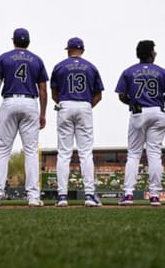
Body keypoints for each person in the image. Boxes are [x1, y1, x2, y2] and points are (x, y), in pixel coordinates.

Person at [0, 28, 48, 207]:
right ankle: (33, 197)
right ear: (28, 42)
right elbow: (43, 90)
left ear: (13, 40)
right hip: (30, 103)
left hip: (9, 100)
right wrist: (43, 113)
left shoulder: (4, 57)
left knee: (3, 150)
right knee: (30, 152)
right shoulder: (37, 60)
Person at [116, 40, 165, 206]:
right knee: (154, 153)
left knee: (134, 154)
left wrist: (132, 103)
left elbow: (121, 96)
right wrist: (157, 101)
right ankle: (155, 195)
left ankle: (128, 194)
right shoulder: (162, 72)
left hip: (138, 112)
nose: (155, 53)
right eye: (154, 50)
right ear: (150, 53)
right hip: (157, 111)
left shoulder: (128, 71)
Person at [50, 37, 104, 207]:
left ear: (68, 50)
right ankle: (89, 195)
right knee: (85, 153)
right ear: (83, 50)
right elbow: (99, 95)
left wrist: (65, 105)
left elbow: (54, 94)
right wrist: (87, 107)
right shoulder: (91, 67)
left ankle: (62, 196)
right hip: (85, 105)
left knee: (64, 153)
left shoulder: (59, 66)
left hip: (65, 104)